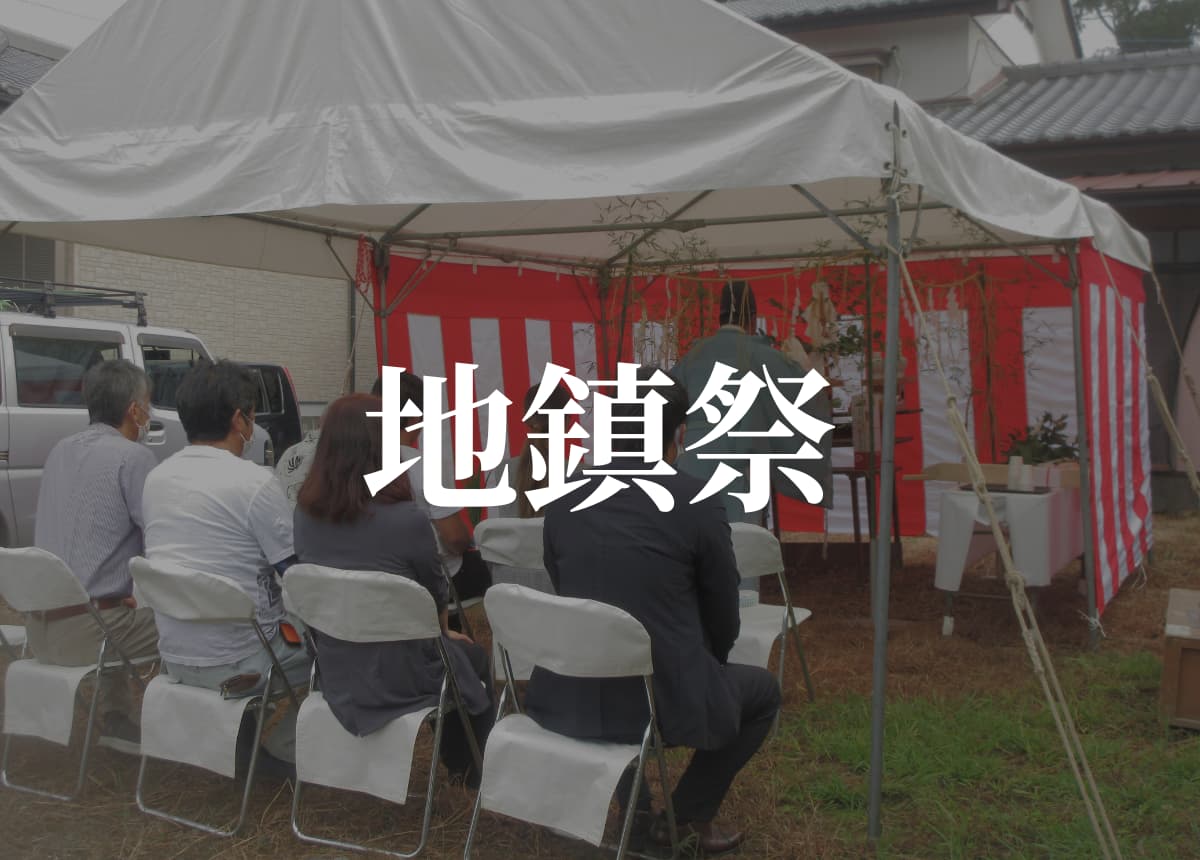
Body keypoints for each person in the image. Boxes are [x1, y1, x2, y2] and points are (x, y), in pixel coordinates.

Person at [525, 369, 780, 854]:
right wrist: (706, 663)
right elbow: (723, 611)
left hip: (568, 690)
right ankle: (683, 818)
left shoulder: (563, 496)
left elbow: (567, 591)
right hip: (662, 694)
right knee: (763, 692)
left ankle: (638, 812)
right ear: (678, 434)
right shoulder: (696, 500)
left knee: (615, 665)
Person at [292, 394, 494, 786]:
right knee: (472, 659)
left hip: (335, 665)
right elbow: (433, 594)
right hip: (401, 670)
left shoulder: (305, 514)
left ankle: (464, 768)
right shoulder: (407, 520)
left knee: (459, 655)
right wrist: (443, 631)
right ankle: (468, 772)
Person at [141, 360, 310, 766]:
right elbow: (300, 576)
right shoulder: (254, 482)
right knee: (332, 643)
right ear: (239, 420)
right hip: (245, 663)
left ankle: (244, 739)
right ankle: (282, 747)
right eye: (252, 416)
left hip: (175, 659)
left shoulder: (157, 479)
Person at [29, 359, 161, 752]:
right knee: (192, 619)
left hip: (39, 631)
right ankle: (198, 730)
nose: (149, 413)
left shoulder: (60, 450)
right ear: (134, 410)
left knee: (114, 605)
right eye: (148, 404)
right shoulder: (134, 458)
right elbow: (160, 540)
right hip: (89, 634)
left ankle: (117, 717)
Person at [370, 372, 491, 606]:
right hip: (434, 584)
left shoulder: (355, 464)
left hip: (379, 582)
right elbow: (455, 538)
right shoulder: (423, 466)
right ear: (417, 418)